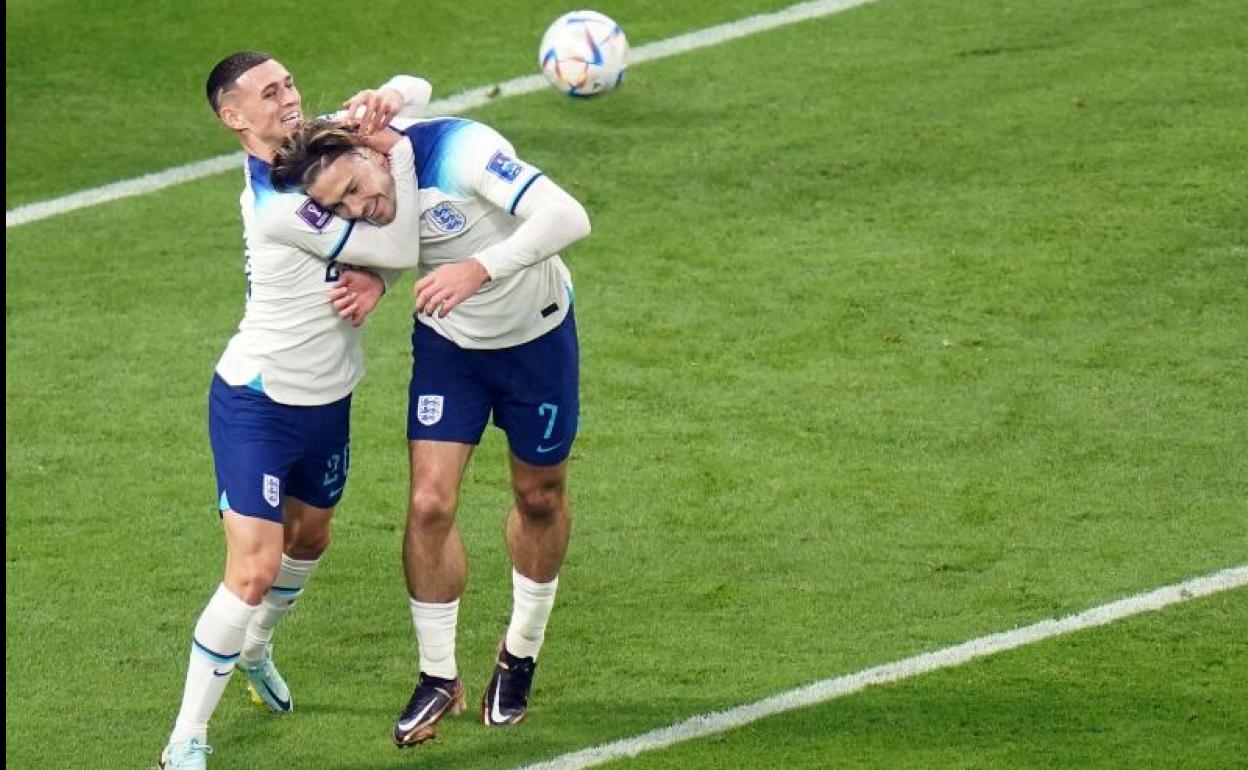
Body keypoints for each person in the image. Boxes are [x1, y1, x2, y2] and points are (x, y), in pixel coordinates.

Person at [271, 115, 590, 746]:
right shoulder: (362, 192)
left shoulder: (461, 152)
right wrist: (379, 279)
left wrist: (479, 268)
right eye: (343, 207)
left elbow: (568, 218)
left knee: (539, 496)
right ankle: (438, 674)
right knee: (429, 502)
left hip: (539, 340)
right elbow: (404, 239)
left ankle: (520, 651)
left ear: (371, 147)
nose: (364, 208)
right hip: (451, 347)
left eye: (358, 187)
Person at [158, 52, 430, 770]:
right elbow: (398, 237)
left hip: (328, 398)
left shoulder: (318, 142)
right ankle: (185, 737)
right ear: (234, 116)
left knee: (309, 542)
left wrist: (385, 96)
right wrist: (395, 153)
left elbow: (420, 88)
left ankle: (255, 648)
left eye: (288, 85)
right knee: (254, 566)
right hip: (259, 398)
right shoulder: (279, 205)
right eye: (269, 93)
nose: (288, 98)